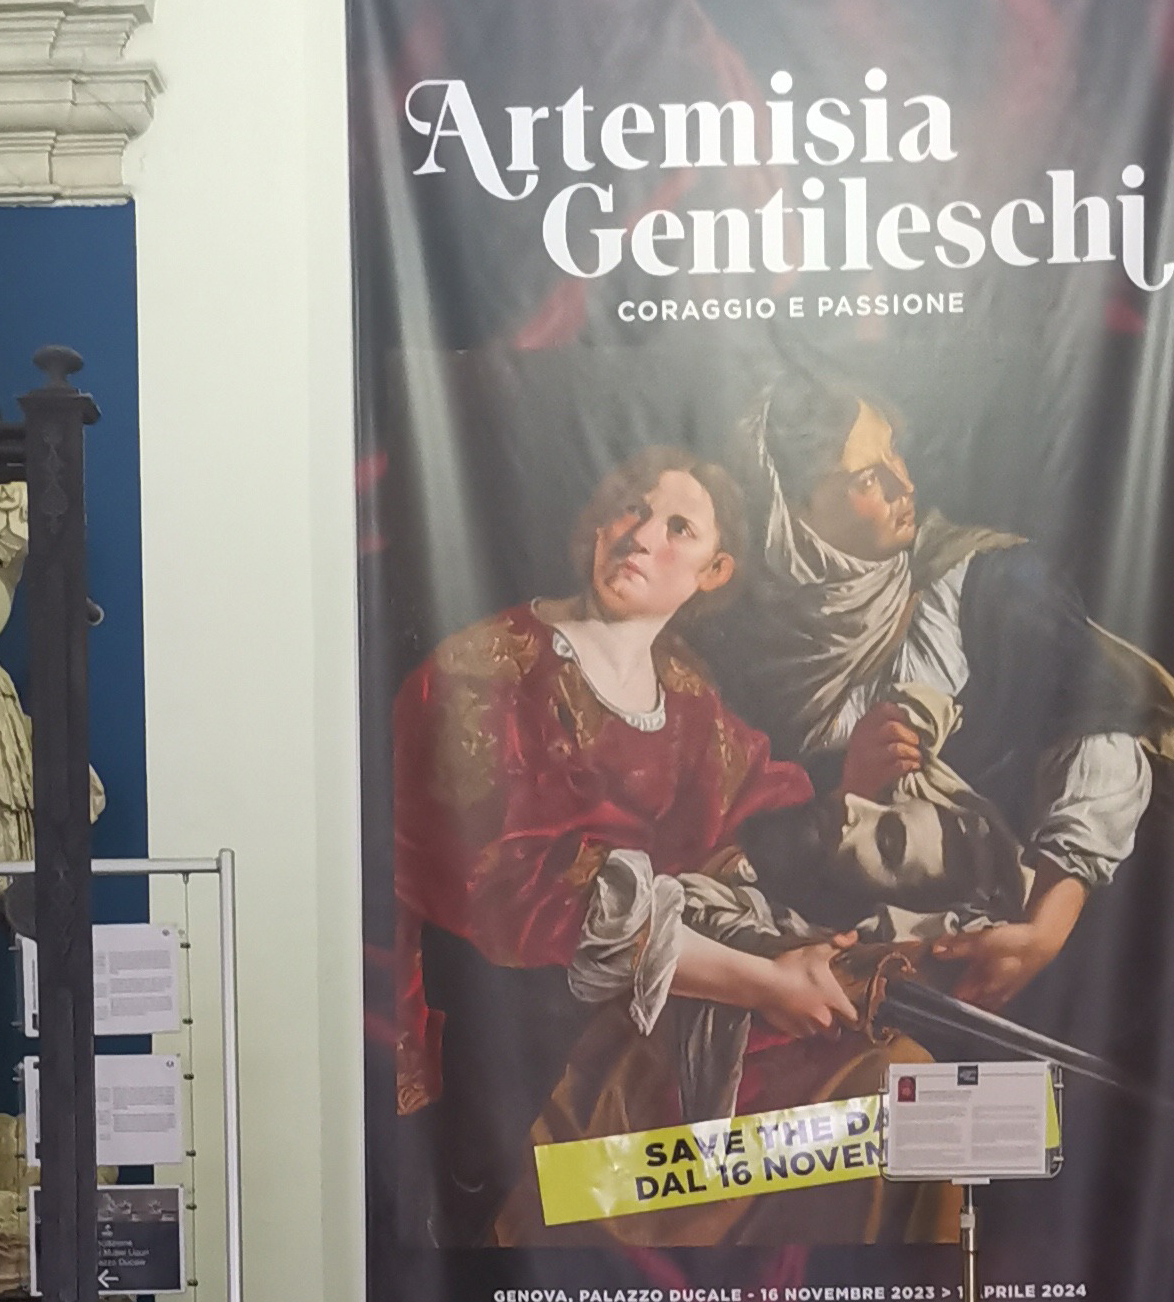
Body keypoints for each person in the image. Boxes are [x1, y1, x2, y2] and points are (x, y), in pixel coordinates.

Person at [391, 444, 943, 1245]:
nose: (641, 536)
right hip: (529, 1041)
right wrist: (764, 982)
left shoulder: (683, 691)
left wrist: (850, 806)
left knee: (900, 1084)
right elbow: (521, 899)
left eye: (679, 527)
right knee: (871, 1096)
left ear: (714, 572)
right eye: (632, 507)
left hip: (667, 1017)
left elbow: (759, 815)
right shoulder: (485, 672)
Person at [699, 372, 1174, 1006]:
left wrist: (1043, 932)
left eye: (894, 453)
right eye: (866, 479)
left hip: (1055, 951)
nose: (904, 485)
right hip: (856, 971)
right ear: (791, 515)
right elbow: (740, 852)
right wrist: (847, 791)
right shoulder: (742, 658)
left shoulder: (995, 583)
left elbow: (1099, 735)